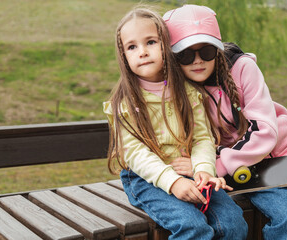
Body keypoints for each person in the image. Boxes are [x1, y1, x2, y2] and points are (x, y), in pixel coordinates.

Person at [164, 4, 287, 240]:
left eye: (207, 51)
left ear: (218, 49)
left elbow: (265, 130)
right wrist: (204, 167)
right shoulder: (179, 91)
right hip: (249, 168)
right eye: (186, 54)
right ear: (173, 56)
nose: (197, 61)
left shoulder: (243, 68)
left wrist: (220, 165)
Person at [103, 7, 248, 240]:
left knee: (233, 224)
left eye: (150, 42)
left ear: (167, 46)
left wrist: (202, 169)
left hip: (189, 172)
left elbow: (202, 138)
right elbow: (135, 154)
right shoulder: (125, 104)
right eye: (132, 47)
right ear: (123, 56)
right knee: (192, 226)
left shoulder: (188, 93)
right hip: (147, 179)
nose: (142, 52)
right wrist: (173, 182)